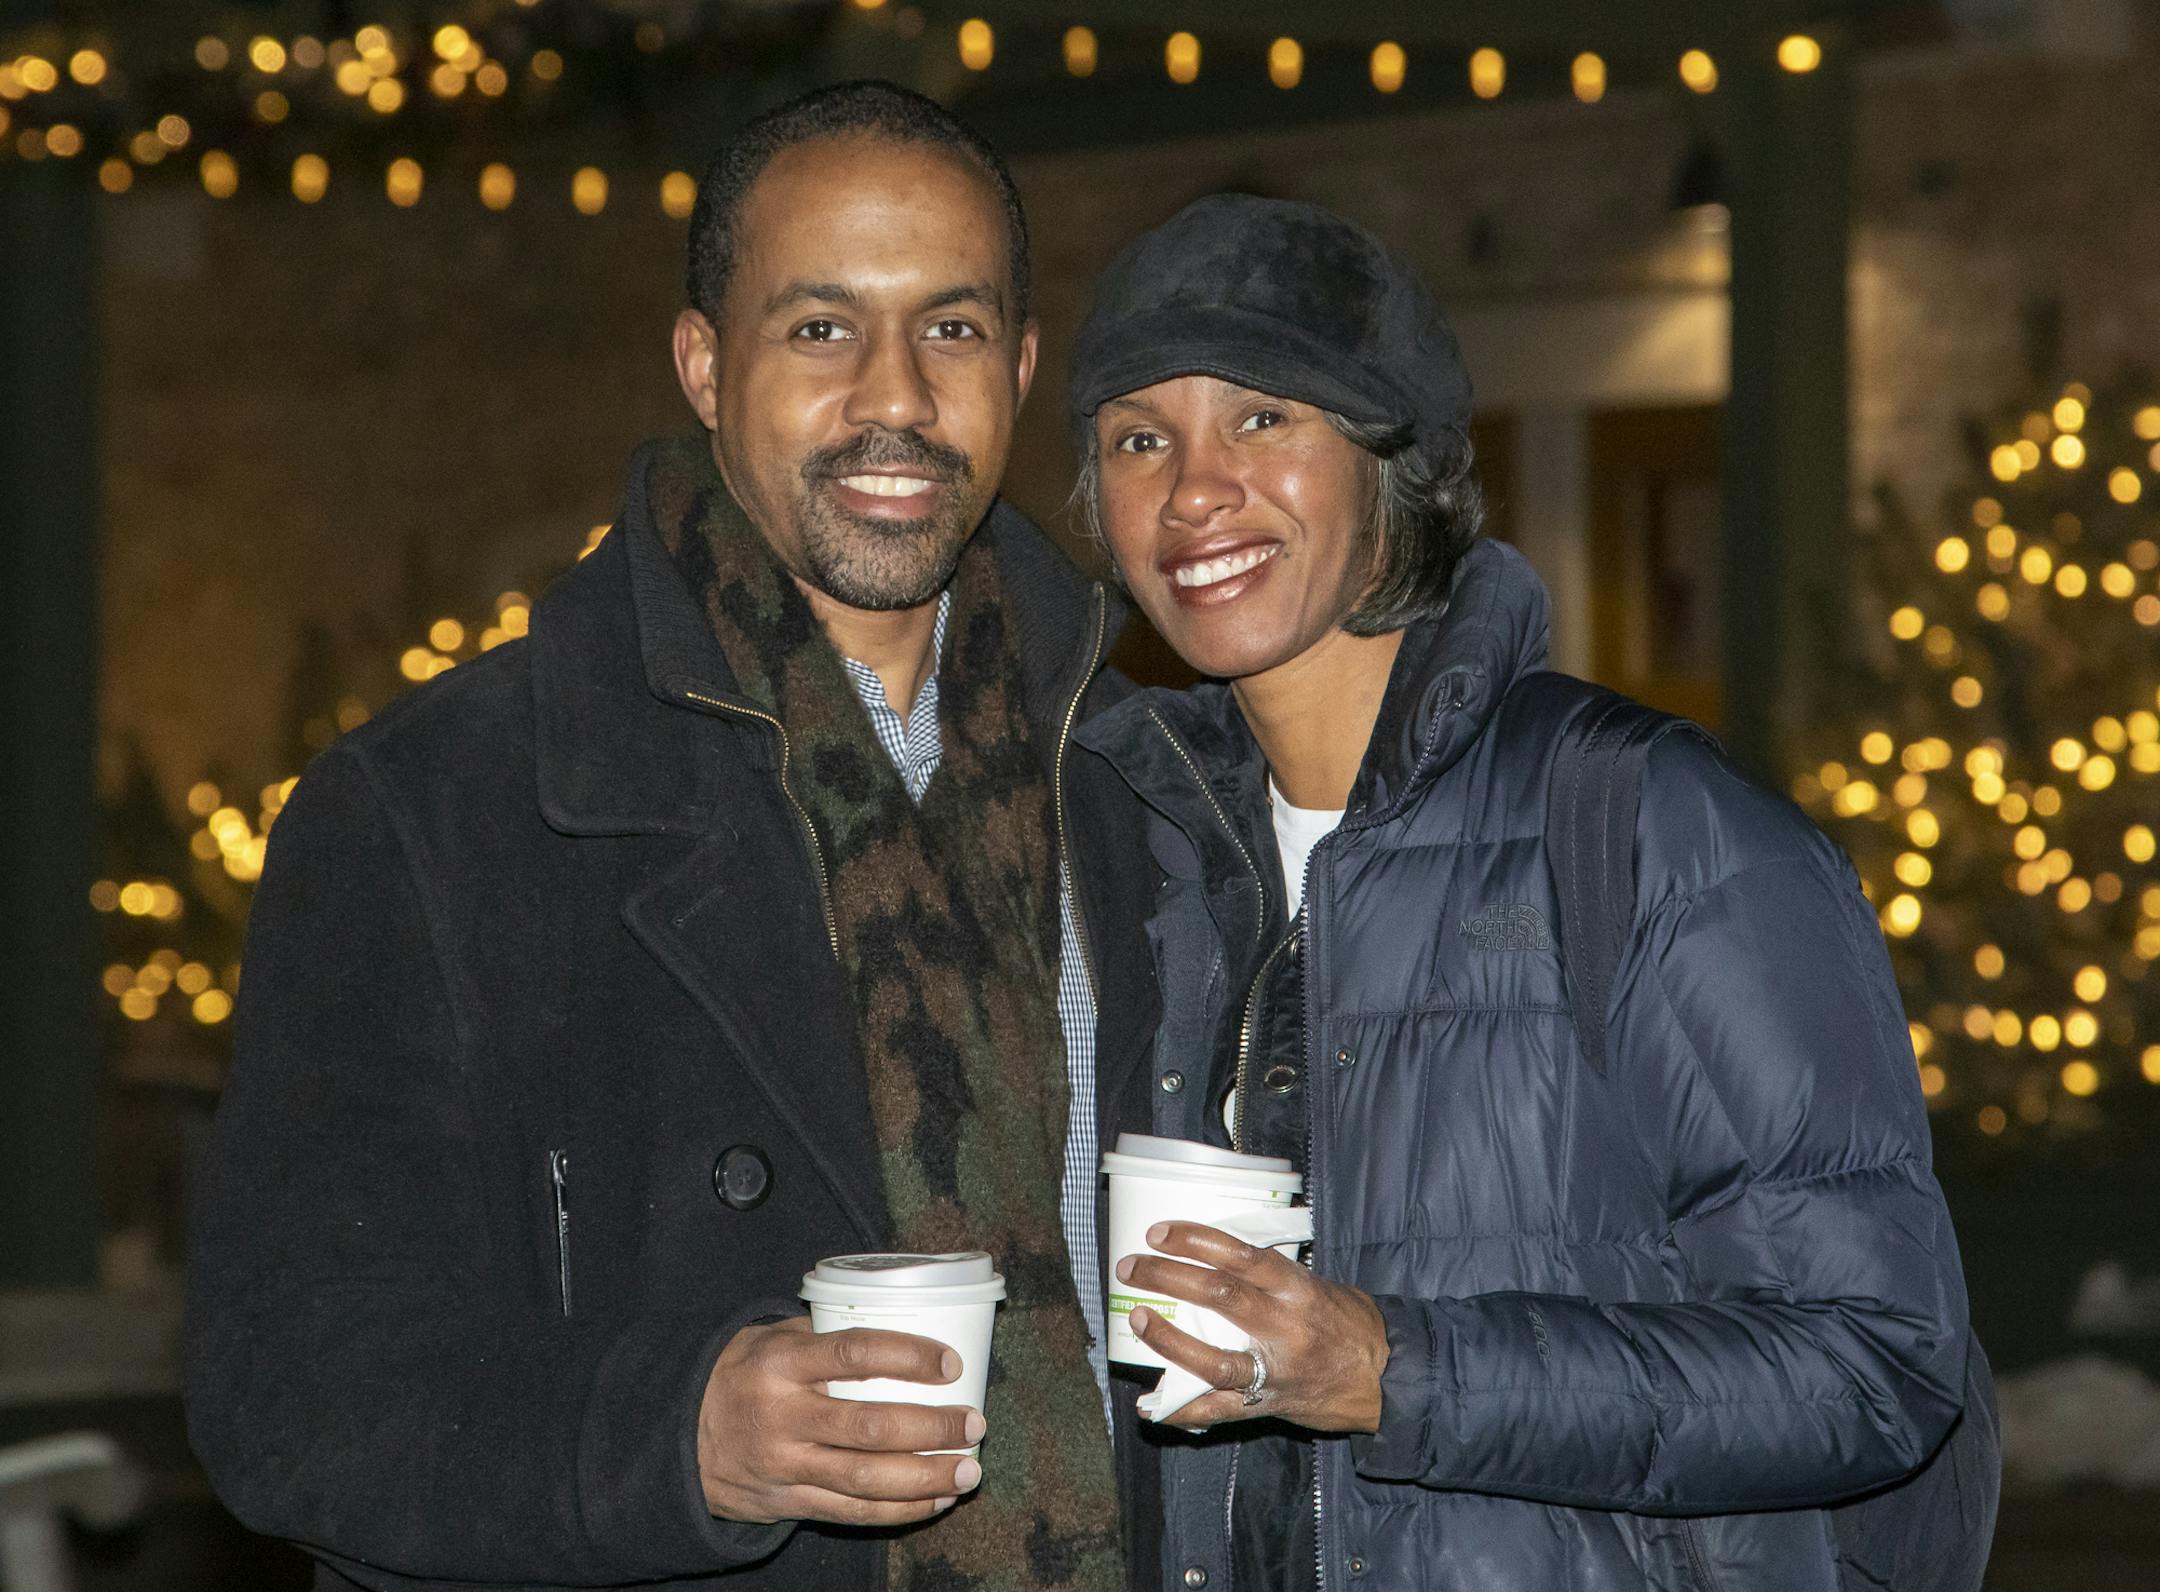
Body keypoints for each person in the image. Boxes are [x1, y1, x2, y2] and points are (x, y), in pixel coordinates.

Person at [185, 82, 1165, 1592]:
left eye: (952, 330)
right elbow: (290, 1401)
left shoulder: (1127, 781)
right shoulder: (439, 810)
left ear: (1022, 367)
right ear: (707, 368)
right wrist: (677, 1436)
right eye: (821, 329)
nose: (894, 397)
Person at [1064, 194, 1995, 1592]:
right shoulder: (1149, 861)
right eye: (1143, 438)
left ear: (1398, 464)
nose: (1195, 491)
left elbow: (1875, 1363)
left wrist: (1397, 1369)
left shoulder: (1648, 823)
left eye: (1264, 419)